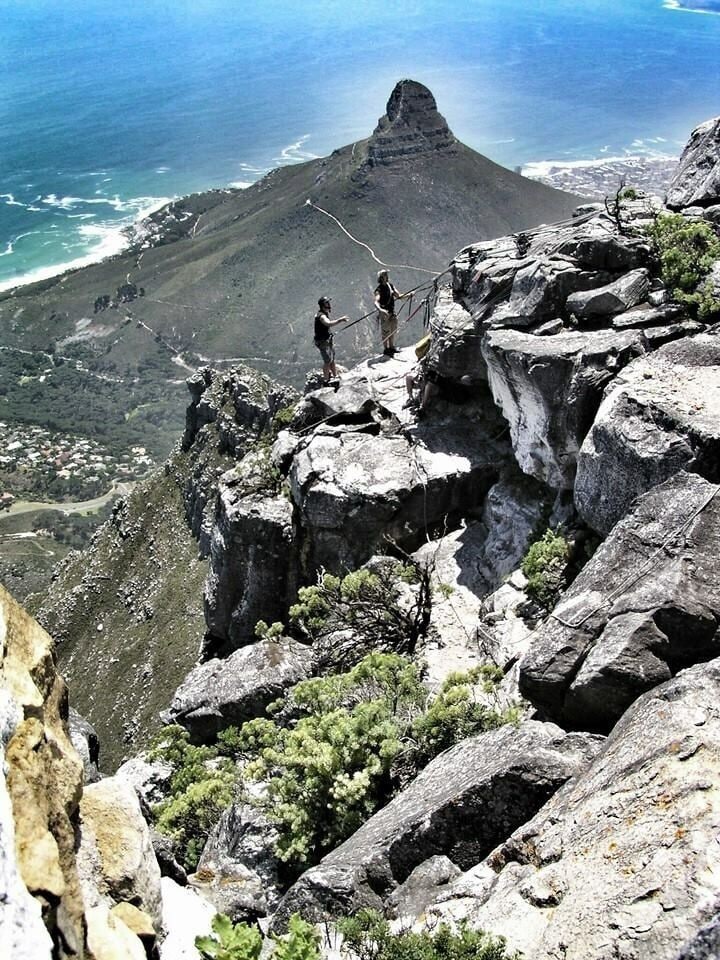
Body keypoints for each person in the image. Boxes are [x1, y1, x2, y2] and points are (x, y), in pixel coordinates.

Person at [314, 296, 349, 386]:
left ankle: (335, 376)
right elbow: (328, 323)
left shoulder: (323, 313)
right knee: (327, 361)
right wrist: (340, 320)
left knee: (332, 359)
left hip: (326, 340)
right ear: (323, 305)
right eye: (327, 303)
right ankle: (326, 381)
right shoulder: (321, 316)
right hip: (322, 342)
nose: (329, 304)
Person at [374, 270, 407, 356]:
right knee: (385, 332)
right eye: (385, 274)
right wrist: (381, 310)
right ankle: (386, 349)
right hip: (385, 314)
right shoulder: (379, 289)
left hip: (392, 312)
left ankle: (392, 347)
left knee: (393, 330)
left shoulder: (390, 286)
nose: (387, 276)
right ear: (382, 278)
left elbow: (398, 296)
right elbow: (376, 302)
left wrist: (409, 295)